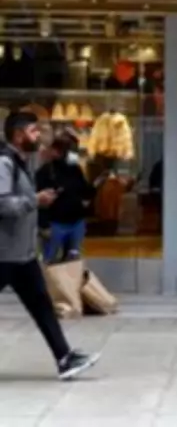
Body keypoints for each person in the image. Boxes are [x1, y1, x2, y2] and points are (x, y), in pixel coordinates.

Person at [0, 111, 100, 380]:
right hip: (4, 255)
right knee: (41, 305)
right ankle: (65, 358)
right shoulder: (4, 163)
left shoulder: (21, 162)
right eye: (33, 131)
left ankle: (65, 358)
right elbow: (2, 204)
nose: (38, 136)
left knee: (42, 306)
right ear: (18, 135)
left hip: (22, 255)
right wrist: (36, 200)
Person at [36, 129, 94, 263]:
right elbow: (39, 200)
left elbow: (84, 190)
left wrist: (90, 195)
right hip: (55, 223)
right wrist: (44, 225)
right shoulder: (45, 172)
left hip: (76, 221)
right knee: (51, 261)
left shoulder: (75, 169)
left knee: (74, 261)